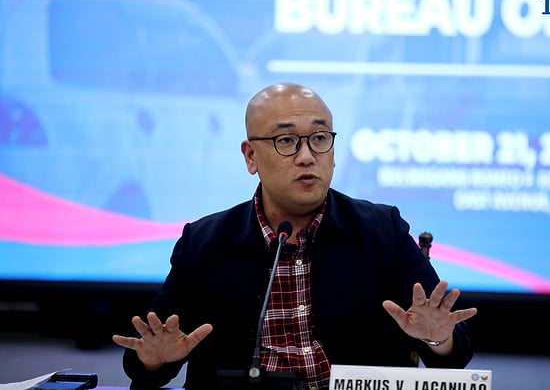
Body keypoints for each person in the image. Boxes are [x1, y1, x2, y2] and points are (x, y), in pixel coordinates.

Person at [112, 82, 478, 389]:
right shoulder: (204, 242)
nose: (306, 156)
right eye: (286, 141)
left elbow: (454, 354)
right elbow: (148, 360)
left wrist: (436, 336)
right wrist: (155, 359)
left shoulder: (382, 230)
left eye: (319, 138)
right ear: (251, 156)